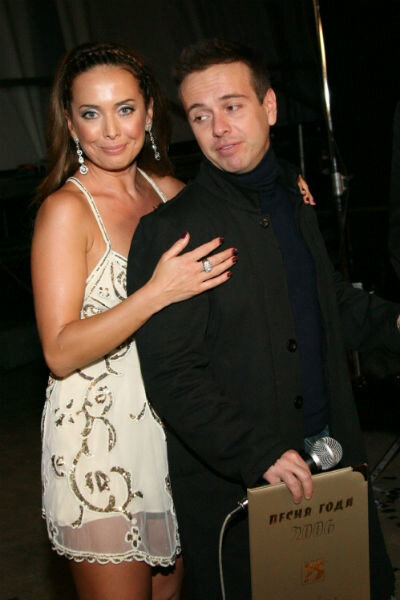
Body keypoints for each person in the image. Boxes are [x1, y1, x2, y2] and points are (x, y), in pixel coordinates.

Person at [127, 39, 400, 600]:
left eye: (232, 106)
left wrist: (393, 324)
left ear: (269, 107)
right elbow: (172, 374)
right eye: (200, 115)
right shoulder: (172, 230)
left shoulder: (293, 197)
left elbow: (325, 304)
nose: (219, 128)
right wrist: (255, 451)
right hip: (245, 484)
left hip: (332, 458)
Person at [31, 41, 238, 600]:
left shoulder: (168, 193)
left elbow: (242, 221)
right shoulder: (66, 210)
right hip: (100, 443)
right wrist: (154, 293)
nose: (110, 130)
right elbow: (59, 350)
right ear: (70, 123)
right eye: (90, 113)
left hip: (173, 433)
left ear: (149, 111)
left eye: (124, 109)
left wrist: (288, 185)